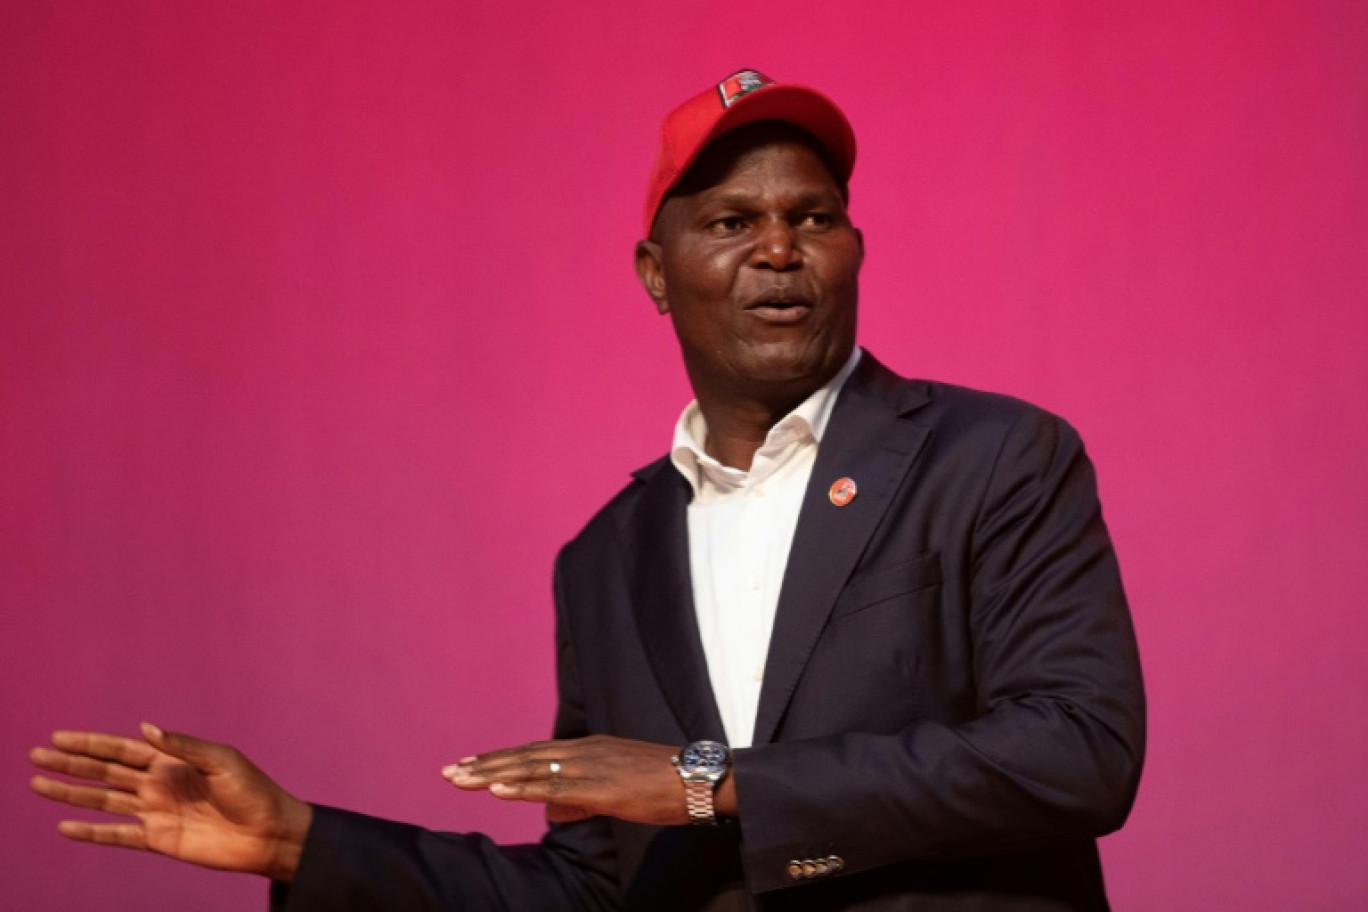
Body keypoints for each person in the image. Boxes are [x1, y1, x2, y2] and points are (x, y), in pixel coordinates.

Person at [29, 69, 1145, 911]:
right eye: (730, 221)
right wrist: (299, 843)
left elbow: (1078, 753)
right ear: (656, 276)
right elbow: (594, 887)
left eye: (812, 217)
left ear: (855, 248)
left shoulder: (994, 457)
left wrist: (709, 782)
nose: (779, 250)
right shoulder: (610, 558)